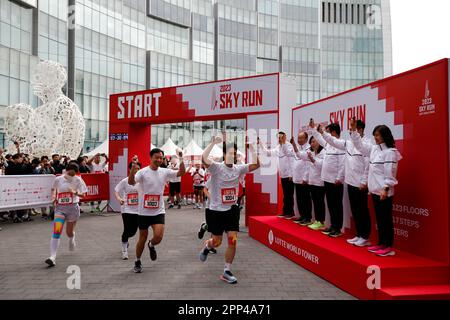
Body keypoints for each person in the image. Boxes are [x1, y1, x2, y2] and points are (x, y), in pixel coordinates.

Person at [199, 137, 260, 284]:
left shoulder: (239, 168)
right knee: (217, 242)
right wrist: (213, 142)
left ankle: (227, 270)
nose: (233, 156)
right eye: (230, 153)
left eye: (235, 154)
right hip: (216, 211)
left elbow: (257, 164)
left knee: (232, 240)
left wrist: (252, 148)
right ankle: (208, 246)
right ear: (224, 154)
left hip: (231, 210)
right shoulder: (217, 168)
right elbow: (203, 158)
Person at [314, 120, 372, 247]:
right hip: (350, 182)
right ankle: (359, 234)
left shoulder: (367, 145)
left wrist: (364, 181)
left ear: (360, 130)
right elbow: (333, 141)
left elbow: (368, 166)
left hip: (360, 184)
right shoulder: (348, 143)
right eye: (350, 130)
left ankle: (365, 236)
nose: (350, 132)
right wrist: (322, 132)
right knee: (355, 210)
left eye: (352, 130)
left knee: (362, 210)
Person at [128, 148, 186, 273]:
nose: (159, 160)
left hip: (158, 211)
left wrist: (181, 158)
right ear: (151, 158)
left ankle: (152, 244)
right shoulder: (143, 172)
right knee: (142, 238)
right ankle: (137, 261)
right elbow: (131, 181)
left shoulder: (164, 172)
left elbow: (181, 172)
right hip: (143, 212)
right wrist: (133, 167)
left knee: (158, 236)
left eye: (161, 158)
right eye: (156, 157)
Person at [350, 119, 402, 257]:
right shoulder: (373, 148)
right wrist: (354, 131)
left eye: (378, 135)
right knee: (380, 219)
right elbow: (359, 146)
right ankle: (381, 243)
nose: (375, 138)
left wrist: (385, 188)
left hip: (384, 192)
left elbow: (390, 172)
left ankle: (388, 246)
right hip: (374, 191)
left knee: (386, 219)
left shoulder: (390, 152)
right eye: (374, 135)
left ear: (385, 135)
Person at [45, 163, 88, 267]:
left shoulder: (78, 180)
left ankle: (71, 238)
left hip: (73, 208)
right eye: (73, 172)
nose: (74, 175)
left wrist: (74, 192)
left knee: (69, 232)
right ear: (67, 170)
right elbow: (53, 189)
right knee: (57, 231)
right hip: (60, 209)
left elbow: (84, 194)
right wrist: (54, 197)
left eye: (75, 173)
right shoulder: (58, 179)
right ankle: (52, 257)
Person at [309, 120, 346, 238]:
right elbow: (320, 139)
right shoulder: (329, 145)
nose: (326, 135)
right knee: (330, 204)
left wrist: (339, 177)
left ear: (334, 133)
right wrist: (313, 130)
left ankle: (338, 228)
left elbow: (343, 164)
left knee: (337, 205)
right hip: (327, 179)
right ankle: (333, 226)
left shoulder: (340, 145)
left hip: (336, 181)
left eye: (328, 132)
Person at [258, 132, 296, 219]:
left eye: (281, 137)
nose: (279, 139)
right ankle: (285, 211)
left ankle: (290, 212)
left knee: (289, 195)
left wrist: (291, 174)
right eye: (278, 137)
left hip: (289, 175)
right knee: (285, 194)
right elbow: (268, 153)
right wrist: (260, 143)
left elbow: (290, 157)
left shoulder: (288, 145)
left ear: (285, 137)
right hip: (283, 175)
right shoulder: (278, 147)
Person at [114, 162, 142, 260]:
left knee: (133, 231)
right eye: (134, 168)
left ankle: (126, 240)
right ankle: (124, 249)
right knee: (126, 229)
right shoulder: (125, 181)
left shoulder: (141, 181)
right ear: (130, 169)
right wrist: (119, 199)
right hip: (126, 208)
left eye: (138, 169)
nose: (136, 170)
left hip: (138, 210)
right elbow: (116, 190)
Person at [304, 137, 326, 231]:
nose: (312, 144)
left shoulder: (323, 153)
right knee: (315, 202)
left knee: (320, 202)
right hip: (312, 181)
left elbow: (321, 166)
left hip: (320, 182)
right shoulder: (312, 153)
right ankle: (317, 220)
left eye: (314, 141)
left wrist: (312, 160)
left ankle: (321, 221)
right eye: (311, 142)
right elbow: (309, 168)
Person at [290, 132, 312, 225]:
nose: (299, 140)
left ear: (306, 139)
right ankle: (302, 216)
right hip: (297, 178)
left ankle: (307, 218)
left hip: (304, 180)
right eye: (298, 138)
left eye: (301, 138)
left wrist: (305, 178)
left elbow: (308, 165)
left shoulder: (309, 149)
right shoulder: (298, 149)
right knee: (299, 199)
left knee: (305, 199)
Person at [197, 178, 217, 254]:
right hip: (211, 206)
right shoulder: (213, 177)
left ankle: (204, 226)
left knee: (216, 226)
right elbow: (205, 189)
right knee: (212, 227)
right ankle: (204, 227)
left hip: (221, 207)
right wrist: (211, 198)